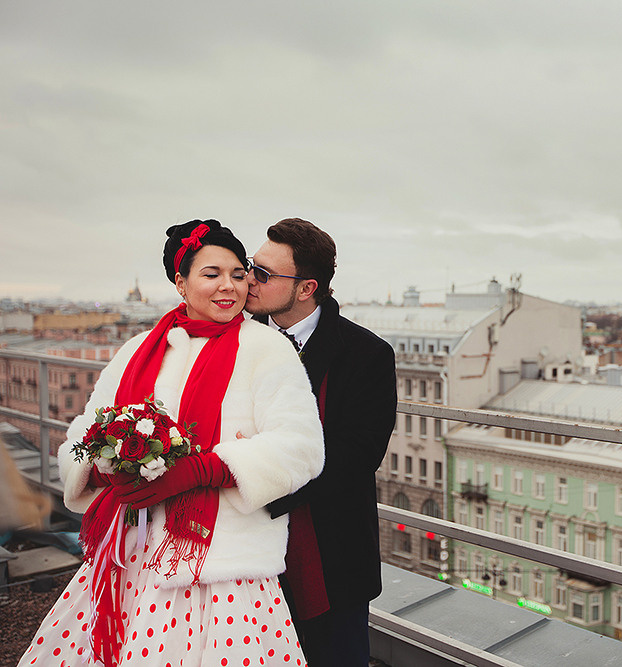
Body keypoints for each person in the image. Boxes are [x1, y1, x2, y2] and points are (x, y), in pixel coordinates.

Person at [18, 220, 325, 667]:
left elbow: (301, 446)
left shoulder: (267, 349)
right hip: (131, 554)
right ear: (180, 283)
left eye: (239, 274)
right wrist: (104, 468)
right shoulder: (139, 349)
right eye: (211, 274)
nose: (229, 287)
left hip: (225, 563)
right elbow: (82, 435)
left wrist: (204, 469)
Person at [243, 218, 396, 666]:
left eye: (264, 274)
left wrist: (254, 485)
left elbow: (357, 457)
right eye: (252, 266)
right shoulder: (235, 339)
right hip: (248, 548)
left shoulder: (366, 354)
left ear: (307, 287)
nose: (249, 279)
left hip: (331, 550)